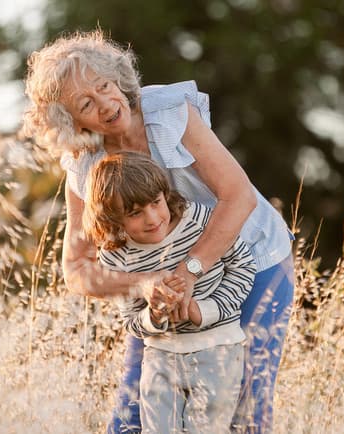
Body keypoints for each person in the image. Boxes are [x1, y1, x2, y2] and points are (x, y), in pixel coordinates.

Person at [21, 30, 295, 433]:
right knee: (134, 415)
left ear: (117, 79)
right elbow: (77, 268)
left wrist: (189, 272)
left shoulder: (169, 114)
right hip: (164, 287)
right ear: (72, 122)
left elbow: (238, 197)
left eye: (105, 86)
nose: (107, 104)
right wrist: (145, 284)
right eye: (86, 103)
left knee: (245, 408)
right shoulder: (84, 165)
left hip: (251, 262)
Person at [83, 152, 255, 434]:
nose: (152, 218)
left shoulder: (198, 220)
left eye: (156, 203)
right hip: (161, 356)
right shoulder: (116, 257)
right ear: (113, 219)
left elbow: (243, 266)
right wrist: (154, 315)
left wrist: (206, 310)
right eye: (135, 213)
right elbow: (130, 321)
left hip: (218, 349)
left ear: (165, 194)